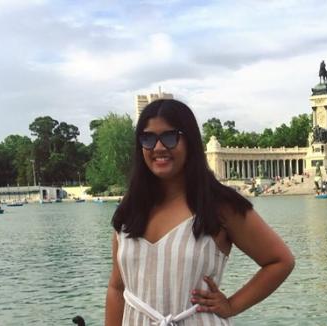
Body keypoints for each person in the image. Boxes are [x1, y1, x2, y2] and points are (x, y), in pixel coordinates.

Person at [105, 99, 295, 326]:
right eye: (147, 138)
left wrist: (232, 305)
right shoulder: (131, 207)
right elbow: (117, 288)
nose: (158, 147)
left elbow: (280, 261)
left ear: (190, 142)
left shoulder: (219, 206)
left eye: (169, 136)